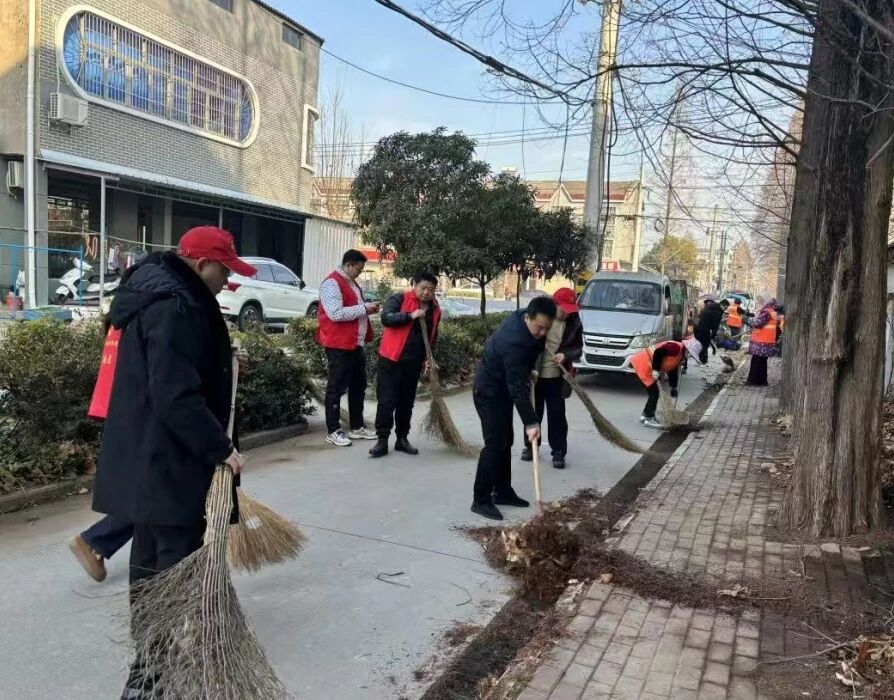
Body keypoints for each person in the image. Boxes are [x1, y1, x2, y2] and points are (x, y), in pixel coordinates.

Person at [90, 226, 249, 698]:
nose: (227, 281)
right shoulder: (177, 307)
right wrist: (220, 449)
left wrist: (221, 360)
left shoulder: (159, 295)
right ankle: (150, 678)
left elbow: (171, 373)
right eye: (224, 270)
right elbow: (175, 393)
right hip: (171, 463)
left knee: (151, 568)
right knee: (171, 571)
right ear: (201, 264)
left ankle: (149, 673)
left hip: (151, 458)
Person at [471, 296, 557, 520]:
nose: (542, 333)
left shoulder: (523, 317)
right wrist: (531, 422)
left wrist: (528, 370)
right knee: (494, 444)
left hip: (503, 386)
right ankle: (480, 499)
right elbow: (517, 388)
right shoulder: (514, 342)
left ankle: (503, 492)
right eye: (539, 328)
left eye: (546, 329)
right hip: (489, 391)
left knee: (505, 441)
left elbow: (520, 369)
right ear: (528, 318)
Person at [370, 273, 441, 459]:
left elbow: (433, 335)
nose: (427, 292)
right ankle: (382, 440)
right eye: (423, 288)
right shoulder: (399, 299)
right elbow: (386, 318)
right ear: (414, 285)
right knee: (387, 401)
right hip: (391, 359)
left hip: (414, 363)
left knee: (406, 403)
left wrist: (429, 357)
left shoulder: (434, 308)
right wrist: (410, 315)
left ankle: (402, 439)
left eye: (431, 290)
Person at [317, 250, 380, 447]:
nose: (360, 273)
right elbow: (335, 314)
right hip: (338, 345)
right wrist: (364, 309)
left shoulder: (352, 284)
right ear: (350, 265)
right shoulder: (331, 283)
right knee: (336, 388)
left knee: (358, 386)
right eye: (359, 269)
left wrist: (367, 307)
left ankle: (357, 426)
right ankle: (333, 430)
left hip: (355, 344)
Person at [520, 288, 583, 470]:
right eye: (563, 308)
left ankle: (558, 452)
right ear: (554, 304)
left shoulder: (574, 322)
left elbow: (579, 348)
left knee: (557, 416)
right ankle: (530, 447)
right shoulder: (540, 318)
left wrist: (566, 354)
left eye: (570, 309)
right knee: (534, 413)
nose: (566, 313)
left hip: (557, 377)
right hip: (536, 376)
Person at [630, 337, 702, 428]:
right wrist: (656, 369)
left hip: (650, 366)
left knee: (654, 392)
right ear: (687, 348)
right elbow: (658, 352)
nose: (690, 356)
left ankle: (645, 415)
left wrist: (673, 387)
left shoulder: (680, 354)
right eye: (690, 353)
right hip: (646, 364)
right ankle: (649, 418)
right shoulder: (675, 347)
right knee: (654, 393)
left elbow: (672, 370)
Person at [746, 298, 780, 386]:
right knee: (762, 362)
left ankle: (754, 381)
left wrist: (746, 320)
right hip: (767, 342)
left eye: (759, 302)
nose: (758, 304)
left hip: (761, 343)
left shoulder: (766, 312)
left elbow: (757, 323)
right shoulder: (772, 311)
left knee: (756, 361)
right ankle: (762, 381)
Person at [694, 299, 729, 363]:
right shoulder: (719, 311)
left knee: (703, 343)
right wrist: (713, 335)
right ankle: (701, 357)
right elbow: (716, 325)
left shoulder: (710, 306)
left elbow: (701, 315)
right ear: (723, 305)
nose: (725, 309)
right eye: (725, 307)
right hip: (705, 328)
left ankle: (704, 359)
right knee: (705, 344)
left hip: (698, 327)